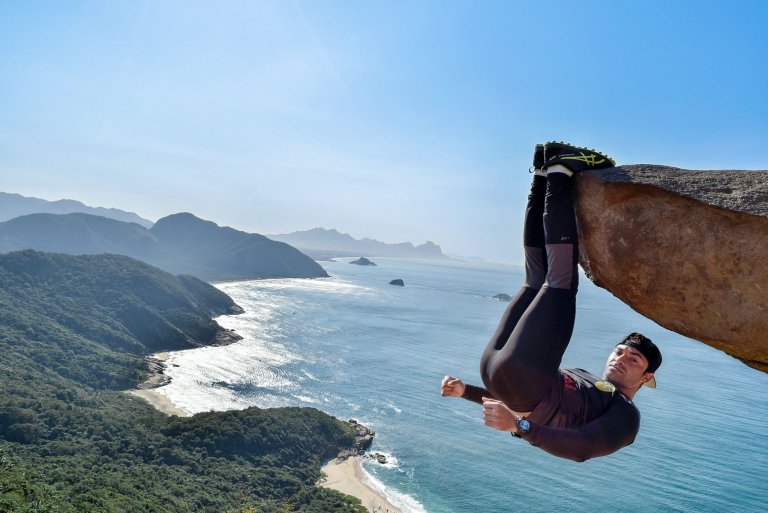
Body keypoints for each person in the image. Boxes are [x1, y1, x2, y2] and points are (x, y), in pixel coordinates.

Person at [441, 142, 662, 462]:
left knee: (560, 283)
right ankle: (543, 174)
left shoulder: (626, 416)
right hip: (499, 371)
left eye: (634, 360)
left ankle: (560, 172)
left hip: (511, 376)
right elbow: (519, 400)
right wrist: (467, 392)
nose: (620, 359)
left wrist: (520, 426)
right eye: (620, 351)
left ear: (646, 378)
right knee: (537, 279)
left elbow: (583, 447)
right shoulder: (586, 377)